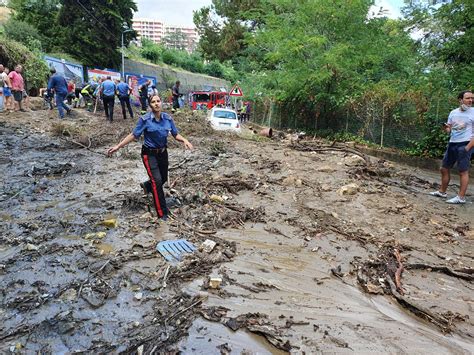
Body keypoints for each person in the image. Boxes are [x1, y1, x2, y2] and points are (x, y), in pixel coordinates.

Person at [107, 94, 193, 221]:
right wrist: (118, 146)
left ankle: (147, 186)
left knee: (163, 178)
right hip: (149, 154)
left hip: (163, 153)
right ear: (150, 105)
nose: (156, 103)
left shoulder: (168, 119)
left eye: (158, 101)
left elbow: (175, 134)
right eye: (153, 102)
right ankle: (162, 213)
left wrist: (185, 140)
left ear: (161, 103)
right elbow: (133, 135)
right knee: (157, 182)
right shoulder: (145, 120)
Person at [430, 90, 474, 204]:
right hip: (452, 143)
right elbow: (450, 129)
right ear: (460, 100)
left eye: (472, 98)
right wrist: (446, 128)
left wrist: (467, 148)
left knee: (463, 171)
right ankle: (442, 192)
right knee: (444, 168)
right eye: (468, 98)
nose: (471, 101)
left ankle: (461, 197)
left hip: (465, 144)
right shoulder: (453, 112)